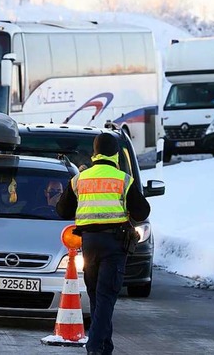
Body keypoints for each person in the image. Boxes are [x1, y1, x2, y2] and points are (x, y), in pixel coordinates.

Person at [56, 133, 150, 355]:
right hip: (114, 244)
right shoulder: (123, 179)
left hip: (89, 244)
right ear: (116, 154)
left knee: (97, 295)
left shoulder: (80, 179)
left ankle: (105, 347)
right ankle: (95, 347)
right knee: (107, 296)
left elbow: (62, 210)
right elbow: (143, 211)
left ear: (94, 154)